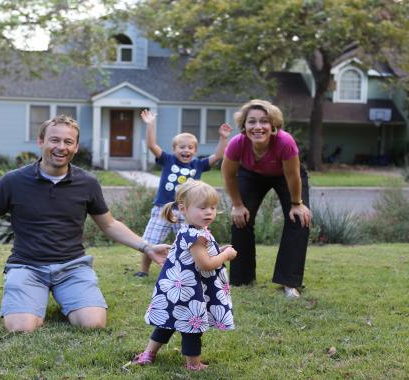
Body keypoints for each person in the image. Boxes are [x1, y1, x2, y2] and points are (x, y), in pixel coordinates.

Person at [0, 115, 169, 333]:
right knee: (20, 328)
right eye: (54, 140)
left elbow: (109, 225)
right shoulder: (13, 182)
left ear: (75, 146)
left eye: (68, 142)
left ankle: (66, 297)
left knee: (93, 324)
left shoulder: (87, 183)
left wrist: (145, 247)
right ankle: (34, 299)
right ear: (41, 141)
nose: (61, 147)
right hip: (27, 266)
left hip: (72, 266)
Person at [130, 180, 237, 371]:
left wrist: (219, 250)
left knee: (167, 322)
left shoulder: (191, 231)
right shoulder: (197, 236)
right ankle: (193, 365)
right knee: (191, 327)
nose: (209, 212)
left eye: (212, 207)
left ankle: (149, 353)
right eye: (202, 207)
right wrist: (226, 255)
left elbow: (199, 257)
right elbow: (205, 265)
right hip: (190, 292)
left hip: (178, 289)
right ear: (183, 208)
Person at [221, 99, 312, 299]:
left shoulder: (285, 142)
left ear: (273, 126)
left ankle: (289, 282)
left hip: (286, 176)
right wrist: (237, 205)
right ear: (244, 126)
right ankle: (242, 279)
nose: (258, 127)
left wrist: (297, 204)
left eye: (264, 121)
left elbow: (293, 175)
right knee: (240, 219)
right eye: (251, 121)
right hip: (251, 174)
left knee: (299, 219)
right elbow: (228, 175)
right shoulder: (237, 144)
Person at [135, 109, 232, 277]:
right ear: (174, 149)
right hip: (163, 208)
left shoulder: (198, 165)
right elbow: (152, 145)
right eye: (181, 147)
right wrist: (150, 124)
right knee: (151, 241)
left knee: (190, 241)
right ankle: (143, 271)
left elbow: (217, 155)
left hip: (189, 211)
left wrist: (223, 138)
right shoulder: (168, 160)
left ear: (195, 150)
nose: (186, 150)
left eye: (190, 147)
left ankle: (188, 270)